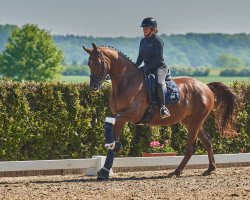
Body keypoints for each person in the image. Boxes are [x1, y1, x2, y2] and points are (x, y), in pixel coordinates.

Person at [136, 17, 170, 118]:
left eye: (146, 28)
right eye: (143, 28)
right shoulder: (143, 41)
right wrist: (135, 67)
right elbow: (140, 57)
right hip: (147, 68)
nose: (144, 30)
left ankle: (163, 108)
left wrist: (146, 67)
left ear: (153, 29)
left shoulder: (158, 41)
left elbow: (158, 58)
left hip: (160, 68)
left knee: (159, 83)